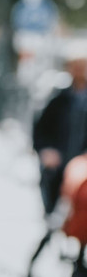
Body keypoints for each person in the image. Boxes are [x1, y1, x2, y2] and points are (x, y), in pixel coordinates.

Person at [33, 52, 87, 215]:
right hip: (60, 162)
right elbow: (40, 129)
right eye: (75, 66)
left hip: (82, 164)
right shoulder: (57, 97)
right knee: (54, 207)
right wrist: (46, 151)